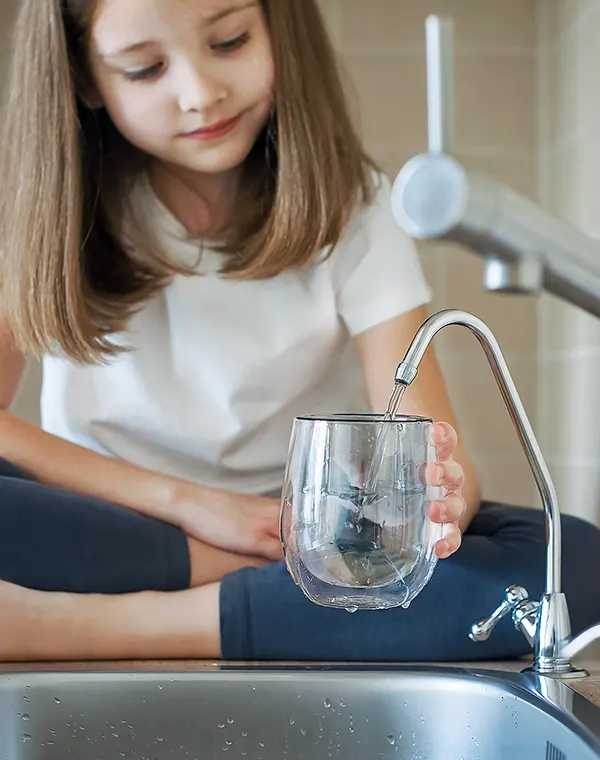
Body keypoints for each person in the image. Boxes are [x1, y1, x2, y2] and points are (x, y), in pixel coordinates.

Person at [0, 0, 599, 664]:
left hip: (312, 535)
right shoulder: (42, 214)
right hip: (114, 528)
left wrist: (435, 508)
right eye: (145, 69)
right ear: (83, 77)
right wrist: (192, 506)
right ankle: (261, 591)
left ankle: (68, 627)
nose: (200, 95)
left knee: (574, 562)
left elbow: (435, 449)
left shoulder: (356, 206)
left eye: (229, 42)